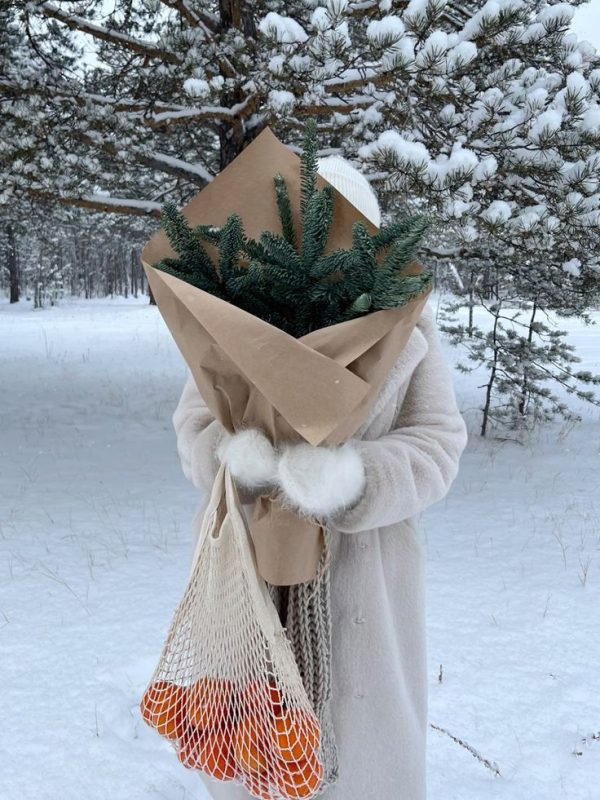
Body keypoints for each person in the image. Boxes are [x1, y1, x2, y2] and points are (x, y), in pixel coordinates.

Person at [171, 155, 469, 800]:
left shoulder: (408, 331)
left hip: (367, 578)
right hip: (246, 573)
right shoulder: (233, 325)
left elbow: (438, 444)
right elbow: (195, 426)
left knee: (361, 758)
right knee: (249, 744)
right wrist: (238, 459)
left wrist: (351, 480)